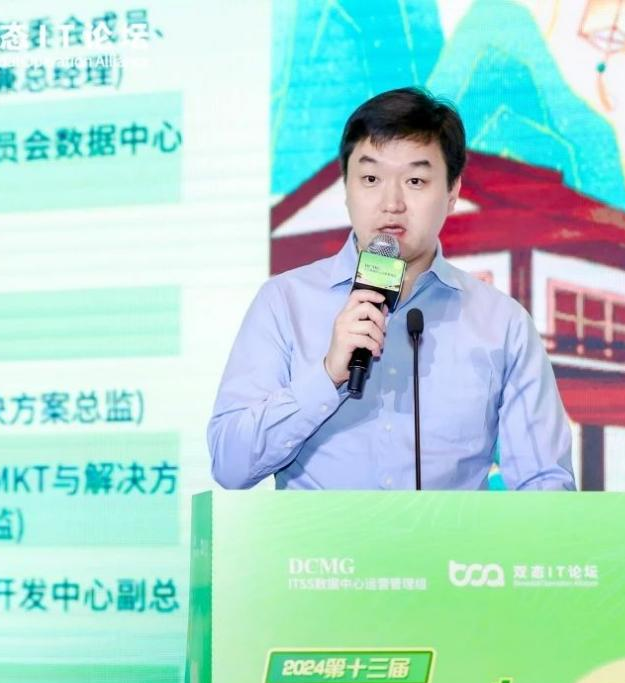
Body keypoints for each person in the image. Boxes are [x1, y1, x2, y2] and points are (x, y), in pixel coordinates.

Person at [207, 87, 574, 491]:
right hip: (320, 537)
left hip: (448, 537)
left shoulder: (502, 324)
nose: (391, 203)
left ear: (452, 193)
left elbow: (545, 485)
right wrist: (327, 376)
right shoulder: (283, 303)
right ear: (346, 188)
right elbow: (230, 464)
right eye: (370, 178)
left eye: (415, 180)